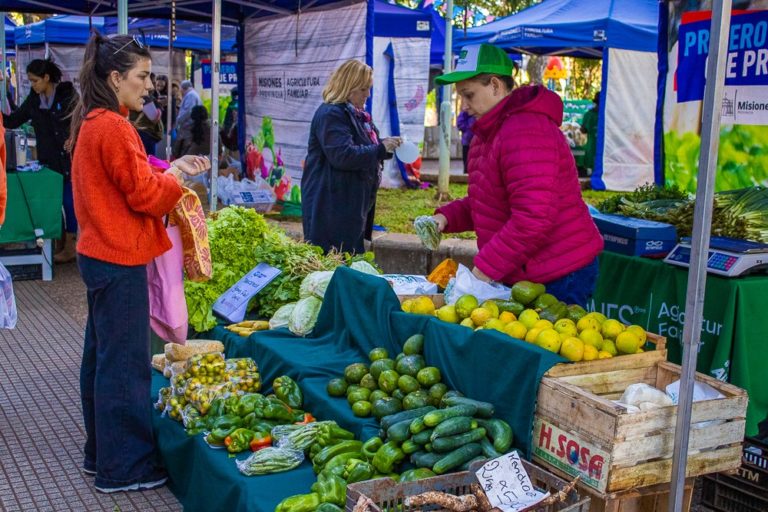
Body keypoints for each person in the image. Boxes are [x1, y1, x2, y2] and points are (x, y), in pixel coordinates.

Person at [68, 32, 210, 493]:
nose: (149, 85)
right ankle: (124, 468)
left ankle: (101, 455)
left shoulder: (95, 121)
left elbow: (127, 180)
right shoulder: (113, 126)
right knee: (124, 365)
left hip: (100, 254)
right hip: (117, 257)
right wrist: (173, 178)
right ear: (115, 77)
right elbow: (145, 196)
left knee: (103, 358)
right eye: (142, 76)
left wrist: (168, 168)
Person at [430, 44, 603, 307]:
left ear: (496, 85)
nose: (463, 107)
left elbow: (532, 217)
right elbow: (489, 200)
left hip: (559, 271)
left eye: (469, 95)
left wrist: (484, 270)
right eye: (460, 97)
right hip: (526, 269)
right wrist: (447, 216)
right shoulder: (487, 134)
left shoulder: (525, 130)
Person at [302, 59, 401, 254]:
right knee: (334, 261)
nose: (368, 95)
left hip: (348, 203)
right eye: (364, 89)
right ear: (349, 87)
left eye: (369, 88)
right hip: (331, 205)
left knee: (348, 258)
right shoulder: (331, 114)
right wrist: (380, 148)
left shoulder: (355, 114)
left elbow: (362, 145)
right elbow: (342, 155)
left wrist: (386, 146)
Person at [3, 59, 79, 262]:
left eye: (35, 80)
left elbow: (82, 119)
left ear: (46, 78)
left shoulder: (68, 94)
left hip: (70, 160)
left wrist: (73, 136)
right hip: (48, 160)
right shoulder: (34, 99)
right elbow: (13, 120)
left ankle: (71, 244)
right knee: (54, 202)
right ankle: (59, 242)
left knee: (69, 202)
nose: (32, 85)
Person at [580, 91, 600, 173]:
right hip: (598, 148)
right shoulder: (608, 115)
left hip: (591, 148)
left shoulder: (588, 114)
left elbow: (583, 130)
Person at [456, 110, 475, 174]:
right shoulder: (465, 112)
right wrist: (468, 129)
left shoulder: (478, 111)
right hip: (466, 141)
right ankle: (466, 171)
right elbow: (460, 123)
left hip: (475, 140)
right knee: (466, 158)